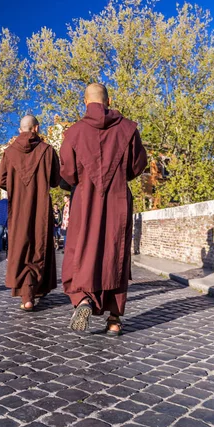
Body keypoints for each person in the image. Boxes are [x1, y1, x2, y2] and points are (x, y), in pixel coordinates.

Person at [60, 83, 147, 335]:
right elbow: (137, 165)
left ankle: (84, 299)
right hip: (118, 199)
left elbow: (67, 171)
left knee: (81, 250)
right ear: (108, 101)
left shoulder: (74, 132)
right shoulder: (128, 129)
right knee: (115, 253)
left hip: (85, 201)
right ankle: (114, 319)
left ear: (85, 102)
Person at [0, 114, 60, 311]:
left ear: (20, 130)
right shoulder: (47, 151)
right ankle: (35, 289)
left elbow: (1, 180)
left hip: (18, 207)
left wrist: (16, 185)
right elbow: (56, 180)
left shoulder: (9, 152)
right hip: (41, 206)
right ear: (37, 128)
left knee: (21, 244)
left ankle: (27, 295)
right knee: (39, 244)